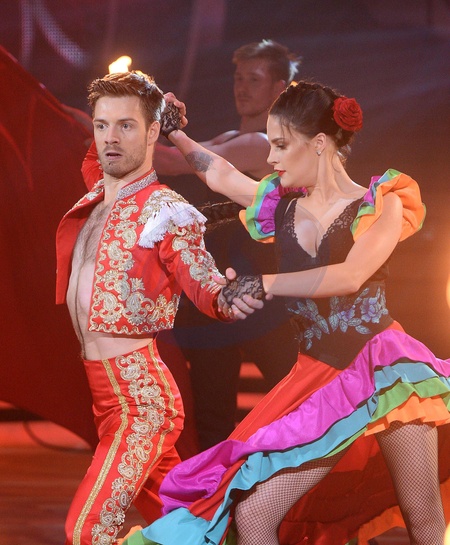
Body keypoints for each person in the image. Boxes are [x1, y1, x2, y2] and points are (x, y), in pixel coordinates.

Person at [122, 81, 450, 545]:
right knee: (254, 512)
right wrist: (176, 132)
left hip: (387, 372)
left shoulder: (383, 203)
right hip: (317, 379)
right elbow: (221, 175)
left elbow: (351, 276)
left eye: (280, 145)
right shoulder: (282, 208)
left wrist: (263, 282)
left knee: (423, 518)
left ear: (318, 143)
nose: (271, 158)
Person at [55, 70, 262, 545]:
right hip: (105, 401)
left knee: (87, 530)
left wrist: (227, 298)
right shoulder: (99, 191)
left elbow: (204, 283)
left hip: (142, 404)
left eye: (126, 125)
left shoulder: (165, 210)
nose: (110, 137)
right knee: (188, 527)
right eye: (102, 125)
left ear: (152, 133)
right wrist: (141, 95)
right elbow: (97, 154)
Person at [154, 39, 302, 450]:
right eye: (238, 78)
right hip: (216, 294)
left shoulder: (262, 145)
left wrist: (114, 127)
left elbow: (171, 161)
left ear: (278, 89)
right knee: (213, 415)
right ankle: (214, 490)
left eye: (253, 79)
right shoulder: (233, 137)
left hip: (259, 296)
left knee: (294, 395)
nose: (242, 87)